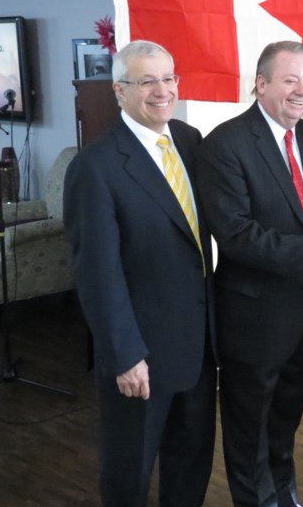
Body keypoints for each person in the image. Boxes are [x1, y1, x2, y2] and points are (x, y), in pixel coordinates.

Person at [196, 41, 303, 507]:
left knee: (284, 425)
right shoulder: (225, 144)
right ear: (261, 83)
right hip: (251, 319)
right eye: (291, 80)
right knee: (248, 429)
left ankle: (283, 496)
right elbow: (236, 235)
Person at [63, 40, 217, 506]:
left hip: (198, 347)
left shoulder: (190, 142)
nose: (162, 90)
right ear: (119, 90)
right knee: (130, 472)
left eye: (168, 78)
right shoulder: (96, 166)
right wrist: (125, 355)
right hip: (140, 355)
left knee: (191, 463)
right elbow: (96, 273)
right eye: (146, 80)